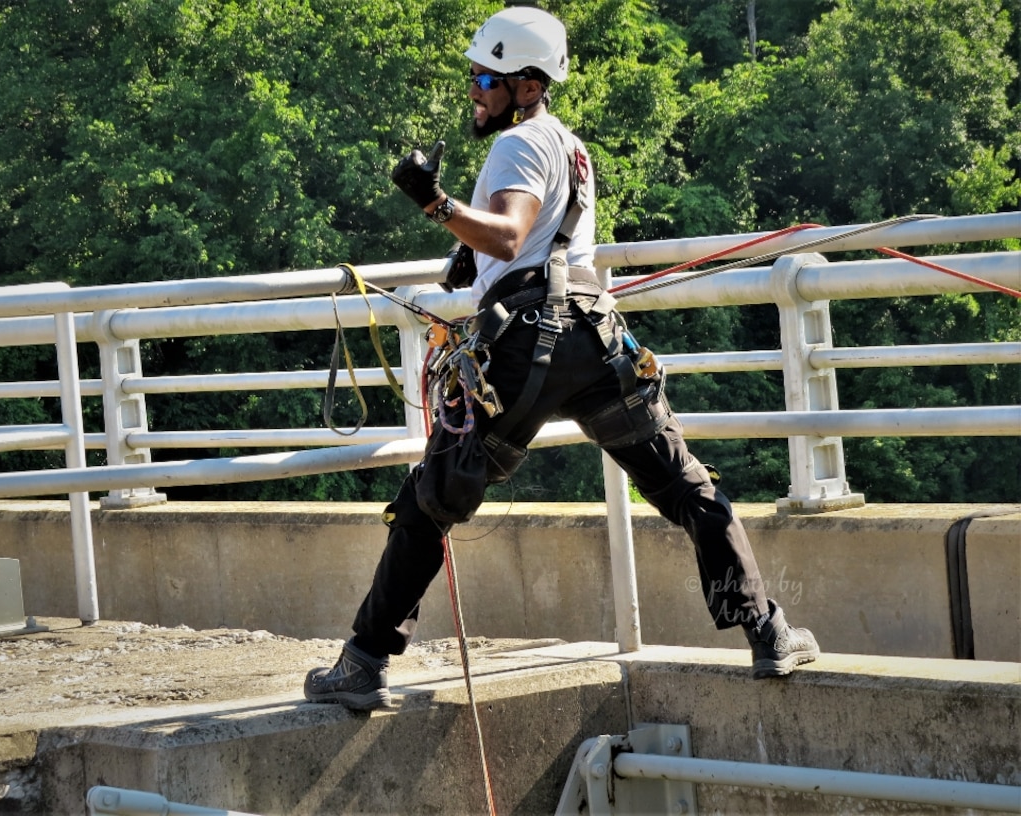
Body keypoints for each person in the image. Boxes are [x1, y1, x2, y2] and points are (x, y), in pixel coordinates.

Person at [305, 6, 818, 711]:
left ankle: (365, 662)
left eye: (486, 77)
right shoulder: (569, 147)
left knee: (431, 496)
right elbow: (541, 242)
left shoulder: (515, 146)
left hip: (528, 347)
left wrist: (435, 202)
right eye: (476, 76)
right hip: (597, 342)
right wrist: (467, 258)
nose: (474, 91)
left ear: (526, 85)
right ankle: (768, 631)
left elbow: (512, 237)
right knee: (684, 486)